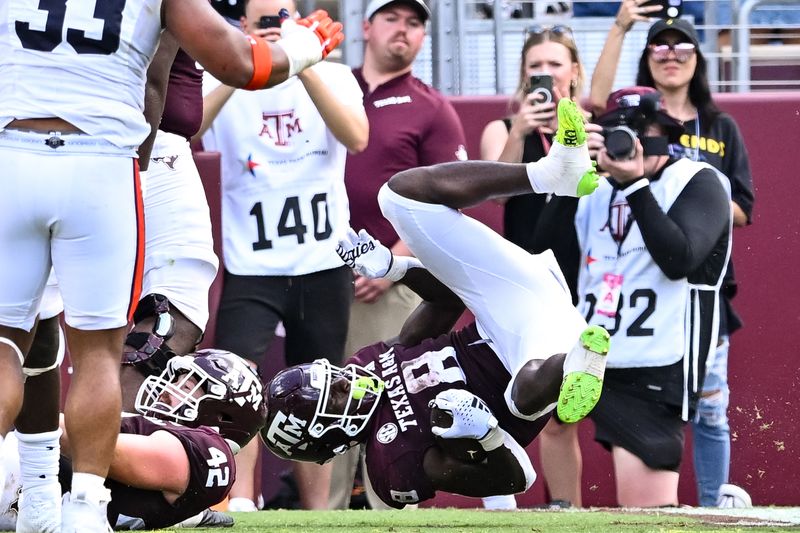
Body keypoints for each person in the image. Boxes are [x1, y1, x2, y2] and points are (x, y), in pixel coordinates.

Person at [0, 2, 342, 530]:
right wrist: (307, 45)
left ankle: (63, 496)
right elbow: (238, 62)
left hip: (16, 155)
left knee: (7, 351)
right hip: (104, 158)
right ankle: (82, 508)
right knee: (97, 352)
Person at [262, 99, 612, 509]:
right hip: (538, 362)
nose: (343, 379)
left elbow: (447, 301)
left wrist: (394, 267)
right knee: (525, 387)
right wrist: (485, 434)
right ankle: (579, 363)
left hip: (510, 304)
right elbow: (518, 476)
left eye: (331, 377)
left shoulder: (364, 363)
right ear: (328, 431)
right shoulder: (392, 464)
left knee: (399, 196)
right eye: (335, 393)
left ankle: (551, 173)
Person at [198, 0, 369, 512]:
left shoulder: (335, 76)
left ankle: (321, 513)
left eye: (286, 15)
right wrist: (245, 60)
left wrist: (304, 57)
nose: (277, 27)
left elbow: (356, 137)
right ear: (242, 26)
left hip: (321, 261)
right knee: (237, 383)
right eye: (265, 20)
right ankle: (240, 501)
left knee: (319, 392)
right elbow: (188, 127)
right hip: (254, 263)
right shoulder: (225, 81)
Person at [535, 86, 732, 507]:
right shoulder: (596, 189)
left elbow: (679, 258)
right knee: (552, 424)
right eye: (617, 132)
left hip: (656, 359)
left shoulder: (699, 181)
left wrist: (637, 185)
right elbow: (544, 252)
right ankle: (565, 515)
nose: (628, 142)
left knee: (644, 513)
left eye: (640, 130)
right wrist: (569, 175)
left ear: (664, 131)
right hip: (590, 349)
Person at [588, 17, 755, 507]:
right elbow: (597, 106)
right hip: (634, 277)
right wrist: (618, 29)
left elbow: (742, 207)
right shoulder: (622, 121)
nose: (670, 53)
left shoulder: (718, 126)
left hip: (701, 277)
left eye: (682, 44)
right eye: (659, 45)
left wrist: (679, 192)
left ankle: (711, 503)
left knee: (709, 404)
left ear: (698, 58)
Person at [331, 0, 469, 510]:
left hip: (391, 282)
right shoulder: (333, 86)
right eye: (392, 17)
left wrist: (392, 262)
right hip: (320, 274)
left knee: (392, 402)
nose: (403, 29)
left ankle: (394, 514)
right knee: (321, 396)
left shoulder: (430, 106)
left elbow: (448, 198)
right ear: (365, 27)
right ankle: (323, 516)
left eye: (414, 23)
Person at [478, 23, 588, 509]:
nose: (544, 75)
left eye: (554, 66)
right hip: (519, 286)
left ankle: (569, 511)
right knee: (507, 402)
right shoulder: (502, 128)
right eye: (534, 68)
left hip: (583, 280)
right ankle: (503, 510)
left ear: (575, 73)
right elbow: (492, 190)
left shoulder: (591, 126)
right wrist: (521, 130)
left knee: (563, 413)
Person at [0, 349, 267, 531]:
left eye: (186, 387)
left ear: (223, 415)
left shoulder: (206, 448)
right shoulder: (192, 465)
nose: (166, 390)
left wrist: (19, 406)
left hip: (15, 478)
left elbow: (94, 448)